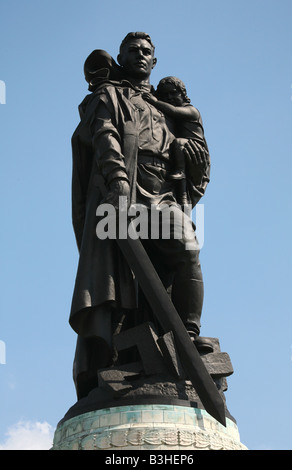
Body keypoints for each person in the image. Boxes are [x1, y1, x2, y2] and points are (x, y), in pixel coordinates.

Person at [70, 32, 211, 399]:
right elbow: (103, 134)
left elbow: (197, 148)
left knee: (187, 251)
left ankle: (188, 335)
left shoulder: (165, 105)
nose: (139, 55)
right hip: (126, 193)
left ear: (154, 61)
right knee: (122, 280)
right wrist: (117, 178)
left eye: (146, 52)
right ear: (121, 57)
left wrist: (183, 147)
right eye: (132, 51)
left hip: (163, 192)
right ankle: (119, 356)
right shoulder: (109, 95)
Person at [143, 76, 209, 206]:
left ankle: (180, 169)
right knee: (181, 180)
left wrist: (154, 101)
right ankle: (183, 196)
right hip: (183, 149)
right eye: (165, 95)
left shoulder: (192, 110)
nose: (169, 97)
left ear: (183, 94)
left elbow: (173, 111)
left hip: (193, 145)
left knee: (177, 143)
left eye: (173, 93)